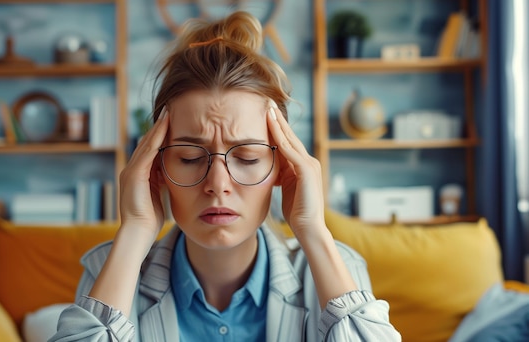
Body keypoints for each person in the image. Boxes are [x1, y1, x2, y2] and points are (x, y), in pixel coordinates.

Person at [50, 11, 401, 342]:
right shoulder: (110, 271)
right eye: (189, 157)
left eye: (247, 157)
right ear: (156, 169)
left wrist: (315, 233)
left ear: (283, 168)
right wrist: (135, 232)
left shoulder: (338, 269)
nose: (218, 184)